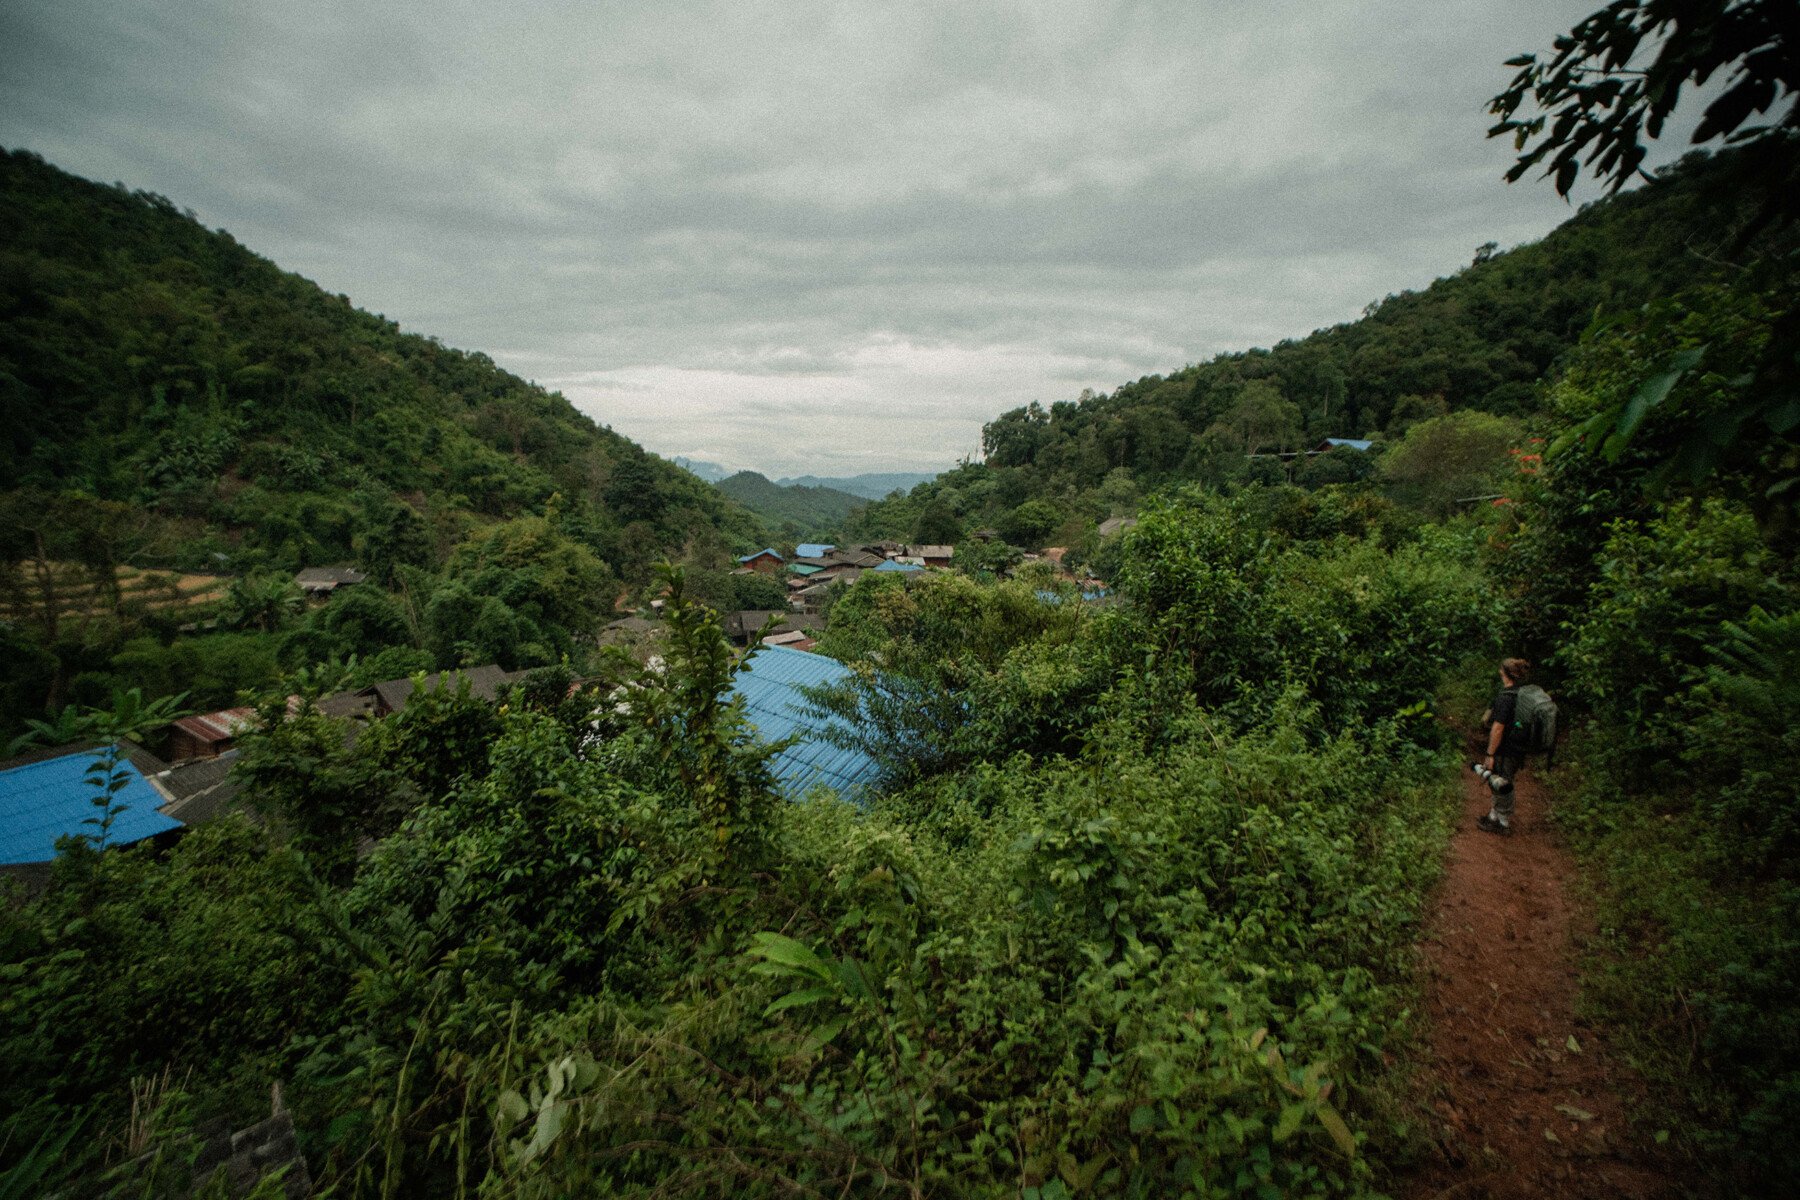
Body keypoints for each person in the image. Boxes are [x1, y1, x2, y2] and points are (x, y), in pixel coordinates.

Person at [1479, 657, 1532, 835]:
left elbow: (1498, 728)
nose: (1499, 672)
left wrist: (1490, 754)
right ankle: (1494, 816)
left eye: (1501, 670)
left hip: (1505, 748)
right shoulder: (1521, 694)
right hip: (1517, 747)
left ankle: (1503, 823)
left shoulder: (1506, 697)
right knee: (1498, 780)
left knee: (1503, 782)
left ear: (1506, 673)